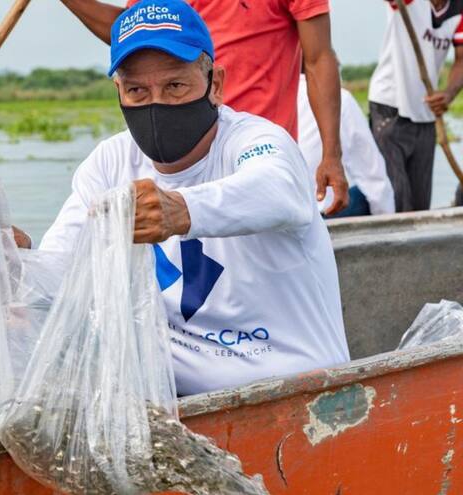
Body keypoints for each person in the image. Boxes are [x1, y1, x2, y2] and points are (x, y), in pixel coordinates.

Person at [33, 0, 349, 396]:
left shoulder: (256, 140)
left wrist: (180, 211)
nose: (156, 103)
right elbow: (58, 267)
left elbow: (277, 188)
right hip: (176, 400)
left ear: (215, 85)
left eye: (175, 86)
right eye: (136, 90)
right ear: (118, 91)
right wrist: (17, 260)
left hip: (294, 392)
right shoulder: (111, 162)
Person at [59, 0, 350, 214]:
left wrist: (331, 155)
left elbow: (318, 59)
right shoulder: (109, 158)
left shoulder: (262, 148)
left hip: (252, 156)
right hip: (180, 156)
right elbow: (132, 30)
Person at [368, 0, 463, 211]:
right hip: (389, 107)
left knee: (420, 206)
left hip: (426, 112)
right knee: (396, 198)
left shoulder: (459, 9)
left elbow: (461, 59)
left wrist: (448, 94)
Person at [298, 74, 396, 217]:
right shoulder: (340, 98)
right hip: (319, 216)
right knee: (367, 191)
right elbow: (374, 177)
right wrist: (387, 221)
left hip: (284, 216)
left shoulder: (266, 96)